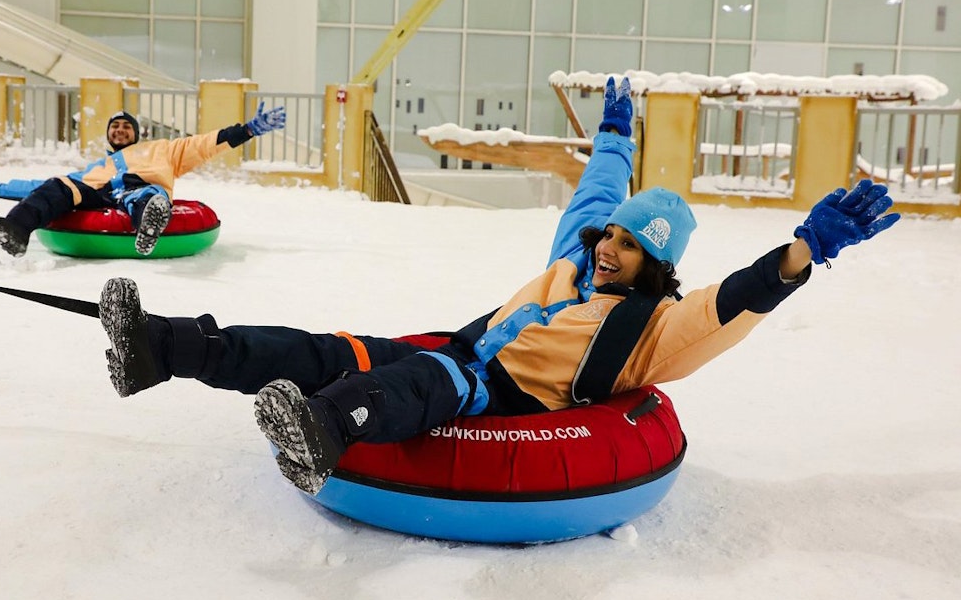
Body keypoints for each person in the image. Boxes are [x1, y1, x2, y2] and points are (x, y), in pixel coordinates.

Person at [96, 76, 900, 495]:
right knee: (323, 347)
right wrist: (615, 134)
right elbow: (596, 195)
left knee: (418, 378)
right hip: (464, 349)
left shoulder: (655, 327)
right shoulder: (580, 260)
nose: (608, 246)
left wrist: (807, 248)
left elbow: (732, 304)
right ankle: (160, 348)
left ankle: (321, 434)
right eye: (611, 236)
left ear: (655, 265)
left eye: (626, 244)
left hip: (500, 396)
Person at [0, 103, 287, 256]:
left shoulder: (164, 150)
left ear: (137, 133)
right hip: (97, 191)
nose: (120, 130)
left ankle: (150, 223)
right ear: (109, 135)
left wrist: (248, 129)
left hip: (140, 187)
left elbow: (205, 144)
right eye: (115, 127)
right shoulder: (98, 165)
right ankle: (15, 231)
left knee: (143, 196)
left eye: (126, 126)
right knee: (59, 186)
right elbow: (38, 188)